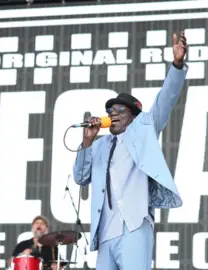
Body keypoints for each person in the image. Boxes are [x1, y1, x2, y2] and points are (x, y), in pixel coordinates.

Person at [72, 31, 188, 270]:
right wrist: (86, 144)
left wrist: (176, 65)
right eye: (110, 110)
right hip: (105, 232)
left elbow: (166, 99)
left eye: (119, 110)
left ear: (132, 116)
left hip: (134, 225)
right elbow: (80, 177)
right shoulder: (100, 144)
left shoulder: (144, 128)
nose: (113, 113)